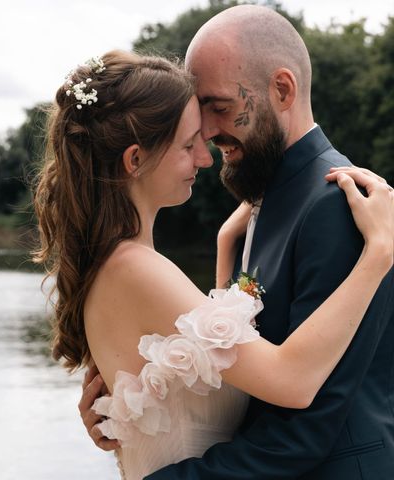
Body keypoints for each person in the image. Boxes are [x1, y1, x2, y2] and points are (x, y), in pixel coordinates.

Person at [75, 5, 394, 480]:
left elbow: (303, 429)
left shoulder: (335, 205)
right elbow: (239, 372)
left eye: (218, 107)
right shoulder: (254, 207)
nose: (204, 132)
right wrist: (128, 408)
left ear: (282, 90)